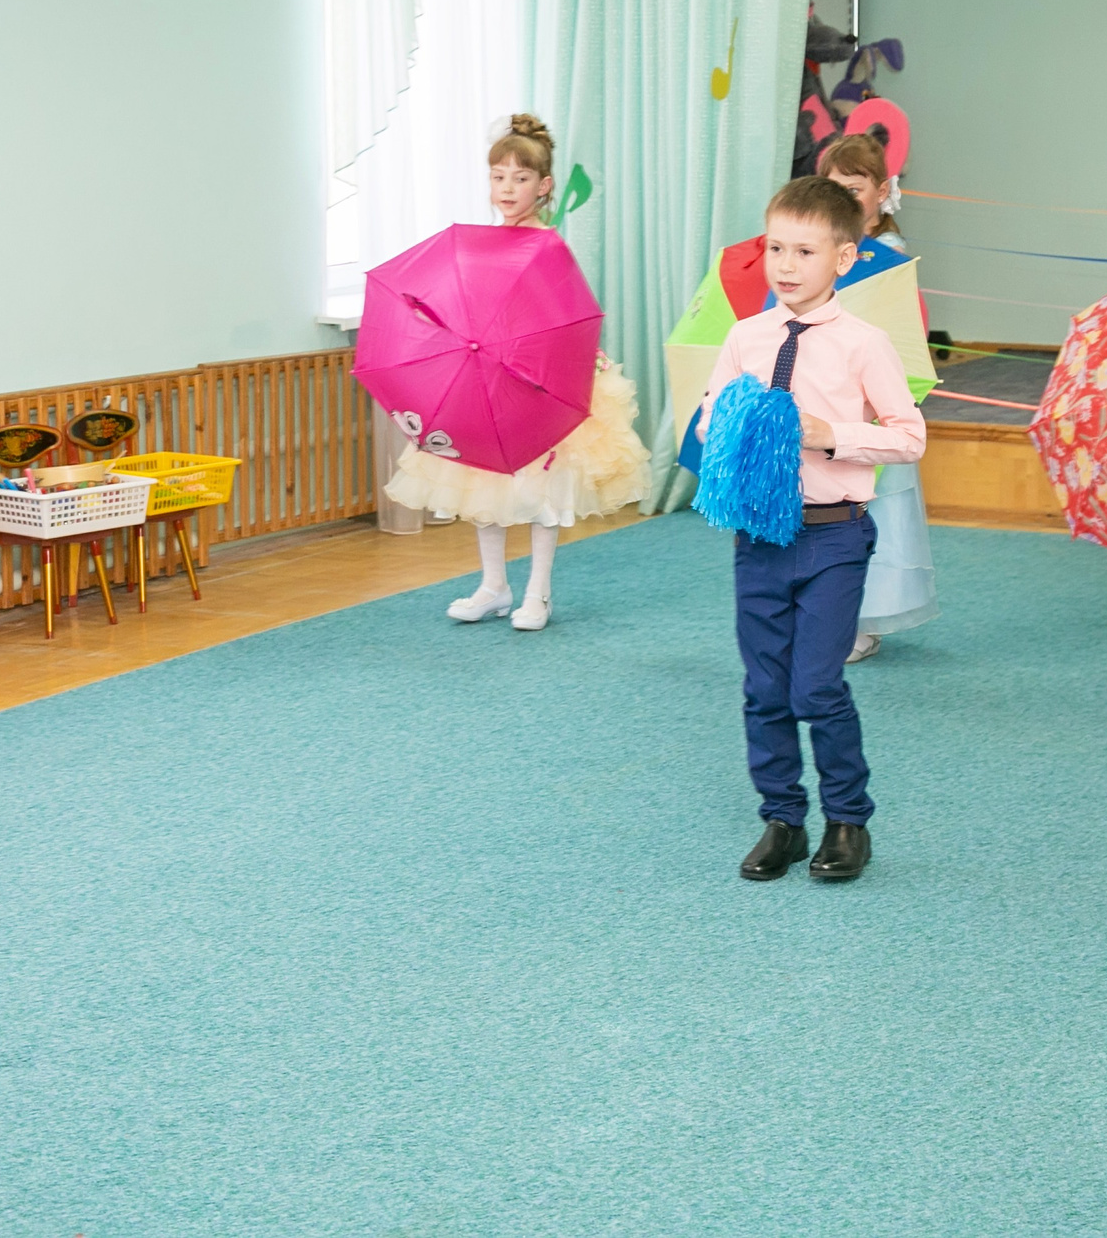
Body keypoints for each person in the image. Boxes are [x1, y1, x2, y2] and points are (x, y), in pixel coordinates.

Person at [693, 177, 926, 884]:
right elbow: (706, 421)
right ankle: (783, 820)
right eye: (775, 248)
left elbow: (908, 436)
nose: (786, 265)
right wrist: (738, 425)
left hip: (833, 536)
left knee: (816, 686)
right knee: (764, 686)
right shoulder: (745, 336)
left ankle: (848, 820)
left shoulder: (864, 343)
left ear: (844, 258)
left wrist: (829, 434)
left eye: (804, 249)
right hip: (760, 537)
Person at [383, 116, 650, 632]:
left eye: (520, 178)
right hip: (488, 378)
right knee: (483, 481)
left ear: (543, 186)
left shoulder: (547, 245)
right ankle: (493, 585)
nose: (508, 188)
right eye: (498, 176)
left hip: (536, 380)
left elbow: (559, 313)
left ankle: (538, 592)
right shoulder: (483, 244)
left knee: (537, 489)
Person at [815, 133, 936, 658]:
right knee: (827, 507)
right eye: (833, 185)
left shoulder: (889, 256)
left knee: (872, 508)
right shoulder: (820, 253)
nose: (843, 195)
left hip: (871, 401)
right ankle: (829, 610)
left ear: (881, 191)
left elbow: (898, 333)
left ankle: (866, 618)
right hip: (825, 397)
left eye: (855, 186)